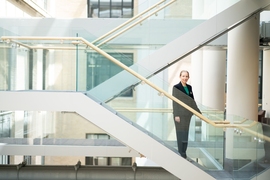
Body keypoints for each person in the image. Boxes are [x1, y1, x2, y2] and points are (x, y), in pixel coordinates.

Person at [172, 70, 201, 159]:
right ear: (180, 77)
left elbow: (192, 101)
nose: (185, 78)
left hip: (187, 115)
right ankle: (181, 152)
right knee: (180, 133)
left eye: (186, 76)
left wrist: (198, 112)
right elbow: (174, 102)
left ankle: (184, 151)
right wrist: (176, 115)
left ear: (188, 77)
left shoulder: (189, 87)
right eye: (183, 76)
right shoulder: (176, 87)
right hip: (179, 115)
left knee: (186, 133)